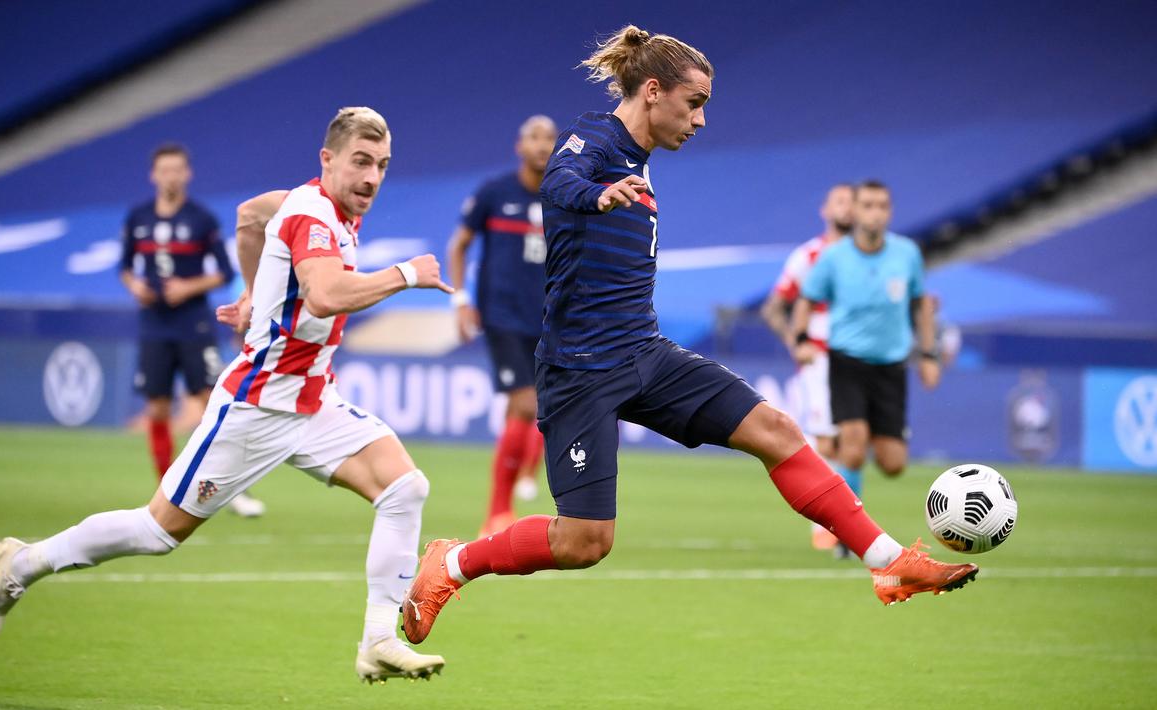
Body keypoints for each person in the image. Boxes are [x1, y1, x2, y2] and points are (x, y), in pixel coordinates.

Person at [400, 26, 977, 646]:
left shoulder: (638, 162)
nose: (701, 120)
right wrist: (597, 195)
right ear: (653, 91)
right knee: (584, 542)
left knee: (777, 430)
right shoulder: (595, 138)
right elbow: (558, 182)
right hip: (580, 370)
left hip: (644, 353)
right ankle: (452, 563)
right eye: (694, 102)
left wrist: (610, 193)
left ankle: (888, 561)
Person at [0, 107, 451, 684]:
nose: (372, 177)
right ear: (326, 160)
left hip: (311, 402)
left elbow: (249, 214)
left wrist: (254, 293)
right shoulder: (312, 215)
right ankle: (24, 563)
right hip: (256, 408)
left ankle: (377, 641)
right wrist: (406, 273)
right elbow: (325, 295)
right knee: (158, 532)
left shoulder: (310, 204)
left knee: (404, 488)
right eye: (360, 162)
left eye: (382, 165)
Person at [118, 143, 264, 518]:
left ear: (187, 174)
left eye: (177, 170)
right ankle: (166, 490)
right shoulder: (138, 218)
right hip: (154, 323)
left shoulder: (201, 219)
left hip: (193, 322)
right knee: (157, 407)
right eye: (164, 170)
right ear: (154, 175)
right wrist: (135, 286)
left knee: (211, 402)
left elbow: (224, 272)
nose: (171, 177)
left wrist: (188, 287)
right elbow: (125, 267)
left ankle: (229, 489)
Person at [790, 180, 941, 516]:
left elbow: (920, 305)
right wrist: (801, 340)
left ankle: (860, 435)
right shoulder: (834, 257)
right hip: (848, 361)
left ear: (890, 212)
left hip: (891, 366)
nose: (875, 213)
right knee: (854, 449)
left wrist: (929, 354)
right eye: (868, 205)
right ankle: (845, 525)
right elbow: (805, 301)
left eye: (882, 206)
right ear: (855, 210)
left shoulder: (907, 254)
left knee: (893, 464)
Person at [446, 115, 557, 538]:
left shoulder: (563, 197)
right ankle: (497, 511)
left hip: (548, 319)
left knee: (532, 408)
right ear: (519, 146)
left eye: (549, 138)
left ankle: (509, 498)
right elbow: (458, 245)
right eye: (534, 137)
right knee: (527, 405)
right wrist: (461, 300)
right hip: (502, 317)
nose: (542, 145)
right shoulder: (495, 193)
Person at [760, 184, 853, 552]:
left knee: (854, 442)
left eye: (852, 202)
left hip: (861, 361)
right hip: (821, 359)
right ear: (824, 210)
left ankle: (847, 523)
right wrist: (795, 342)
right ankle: (827, 528)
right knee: (825, 441)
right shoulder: (809, 256)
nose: (847, 209)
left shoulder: (869, 259)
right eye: (840, 202)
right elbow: (773, 307)